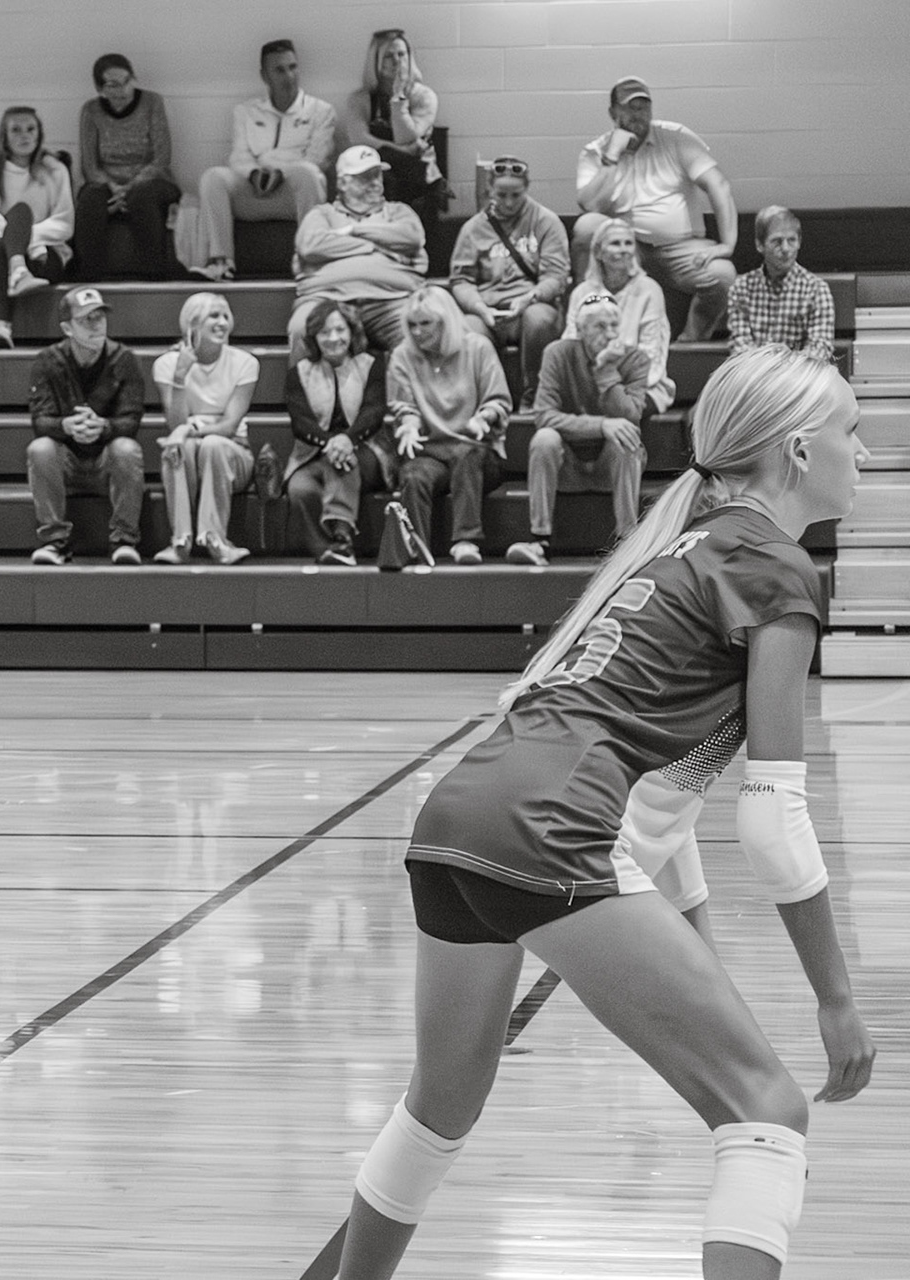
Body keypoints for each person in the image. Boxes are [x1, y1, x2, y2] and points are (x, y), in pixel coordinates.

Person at [331, 345, 874, 1280]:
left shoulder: (680, 546)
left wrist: (692, 944)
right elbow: (773, 823)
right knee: (768, 1112)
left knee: (440, 1106)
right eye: (852, 431)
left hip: (464, 812)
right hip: (553, 826)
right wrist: (835, 1000)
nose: (865, 451)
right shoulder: (778, 570)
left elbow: (663, 795)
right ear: (794, 451)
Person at [574, 77, 736, 342]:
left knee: (723, 276)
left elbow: (719, 185)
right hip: (628, 248)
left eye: (643, 107)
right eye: (630, 108)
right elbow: (589, 205)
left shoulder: (676, 138)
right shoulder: (596, 152)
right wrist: (612, 157)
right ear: (613, 113)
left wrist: (728, 244)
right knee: (586, 227)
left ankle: (691, 342)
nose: (638, 114)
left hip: (681, 247)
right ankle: (588, 324)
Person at [505, 292, 652, 568]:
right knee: (544, 439)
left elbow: (630, 417)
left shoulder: (635, 359)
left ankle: (627, 542)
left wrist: (607, 370)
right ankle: (539, 542)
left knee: (628, 438)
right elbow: (545, 416)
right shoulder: (557, 353)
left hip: (612, 464)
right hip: (567, 465)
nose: (609, 334)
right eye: (599, 326)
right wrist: (601, 425)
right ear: (580, 329)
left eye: (614, 326)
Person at [190, 39, 333, 283]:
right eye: (279, 70)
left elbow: (318, 159)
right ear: (264, 76)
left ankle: (311, 262)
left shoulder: (321, 110)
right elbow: (239, 156)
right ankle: (221, 263)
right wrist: (254, 174)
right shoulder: (245, 111)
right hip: (254, 192)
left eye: (293, 67)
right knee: (213, 177)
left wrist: (281, 173)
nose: (289, 76)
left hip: (294, 193)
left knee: (309, 172)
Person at [389, 285, 511, 566]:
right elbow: (404, 406)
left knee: (464, 455)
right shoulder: (402, 356)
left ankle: (466, 541)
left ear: (446, 322)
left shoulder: (477, 347)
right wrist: (408, 424)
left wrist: (484, 417)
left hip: (475, 450)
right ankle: (415, 545)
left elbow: (498, 400)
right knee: (413, 473)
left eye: (426, 323)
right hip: (432, 452)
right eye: (412, 325)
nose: (418, 332)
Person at [25, 287, 145, 565]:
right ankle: (55, 542)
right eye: (86, 319)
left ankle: (124, 539)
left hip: (107, 460)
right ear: (67, 328)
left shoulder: (124, 359)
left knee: (126, 448)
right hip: (66, 461)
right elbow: (40, 422)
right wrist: (66, 426)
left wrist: (103, 427)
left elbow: (131, 421)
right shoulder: (47, 361)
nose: (97, 325)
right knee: (40, 449)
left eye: (100, 317)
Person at [447, 156, 568, 408]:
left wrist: (530, 297)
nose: (509, 202)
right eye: (501, 195)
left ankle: (536, 395)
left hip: (530, 304)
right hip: (487, 309)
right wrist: (479, 307)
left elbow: (556, 276)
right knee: (466, 330)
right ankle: (483, 403)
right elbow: (461, 280)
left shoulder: (546, 221)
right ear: (489, 190)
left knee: (540, 321)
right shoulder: (473, 229)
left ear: (527, 188)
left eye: (516, 195)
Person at [281, 300, 393, 566]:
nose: (333, 338)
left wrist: (347, 440)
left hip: (367, 450)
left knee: (343, 463)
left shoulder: (372, 364)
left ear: (351, 332)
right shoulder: (299, 373)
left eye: (340, 330)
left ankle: (342, 537)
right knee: (299, 488)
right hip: (313, 452)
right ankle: (324, 550)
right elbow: (301, 423)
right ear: (313, 338)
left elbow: (373, 413)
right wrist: (331, 443)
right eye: (324, 332)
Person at [287, 146, 427, 354]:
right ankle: (303, 386)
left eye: (377, 174)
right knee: (301, 328)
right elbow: (311, 246)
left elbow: (411, 237)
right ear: (343, 183)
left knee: (425, 330)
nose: (375, 182)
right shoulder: (322, 214)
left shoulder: (399, 212)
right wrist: (377, 245)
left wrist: (353, 231)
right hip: (327, 298)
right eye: (365, 177)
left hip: (393, 300)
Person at [152, 292, 257, 564]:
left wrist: (190, 429)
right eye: (214, 316)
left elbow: (230, 426)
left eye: (226, 315)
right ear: (192, 324)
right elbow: (175, 423)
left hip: (233, 454)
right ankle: (180, 541)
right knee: (179, 448)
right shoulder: (165, 365)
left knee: (210, 444)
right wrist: (179, 375)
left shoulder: (245, 363)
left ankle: (216, 539)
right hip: (188, 453)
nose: (223, 322)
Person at [0, 106, 74, 349]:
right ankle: (18, 272)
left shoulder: (55, 170)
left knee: (19, 215)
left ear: (39, 134)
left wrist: (25, 238)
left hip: (47, 257)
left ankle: (2, 324)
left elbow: (64, 224)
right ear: (4, 136)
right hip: (1, 259)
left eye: (30, 129)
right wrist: (16, 242)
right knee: (12, 227)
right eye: (15, 130)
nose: (24, 136)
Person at [75, 54, 179, 282]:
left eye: (126, 81)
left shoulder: (152, 102)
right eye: (112, 84)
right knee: (90, 197)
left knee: (141, 197)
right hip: (107, 183)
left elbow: (162, 157)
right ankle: (88, 277)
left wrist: (130, 188)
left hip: (151, 180)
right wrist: (113, 188)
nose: (122, 90)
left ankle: (154, 276)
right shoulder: (91, 111)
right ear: (100, 88)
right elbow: (89, 166)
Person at [564, 218, 675, 414]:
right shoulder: (582, 293)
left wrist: (613, 384)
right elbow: (571, 345)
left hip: (641, 387)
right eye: (615, 243)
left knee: (615, 410)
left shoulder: (649, 290)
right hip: (589, 386)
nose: (624, 250)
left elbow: (651, 354)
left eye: (628, 243)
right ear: (598, 252)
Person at [345, 28, 443, 224]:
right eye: (388, 56)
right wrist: (402, 150)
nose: (396, 61)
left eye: (401, 54)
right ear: (376, 61)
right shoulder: (360, 99)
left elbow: (405, 136)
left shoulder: (425, 96)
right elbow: (360, 140)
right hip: (377, 172)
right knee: (383, 175)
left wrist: (398, 99)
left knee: (402, 175)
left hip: (418, 177)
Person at [728, 206, 835, 362]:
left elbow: (820, 349)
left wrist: (782, 376)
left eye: (791, 240)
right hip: (755, 378)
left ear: (799, 242)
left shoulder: (817, 289)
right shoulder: (741, 289)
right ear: (760, 245)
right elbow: (740, 347)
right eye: (777, 241)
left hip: (799, 380)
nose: (785, 249)